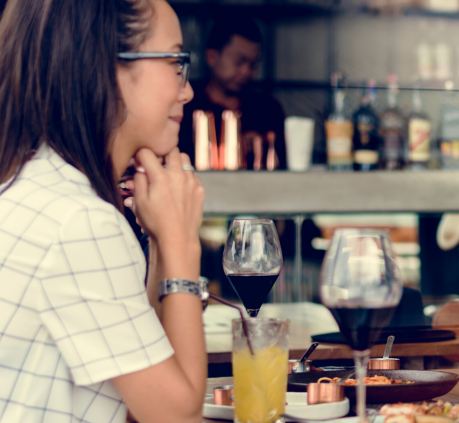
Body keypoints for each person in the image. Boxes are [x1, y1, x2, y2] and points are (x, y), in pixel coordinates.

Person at [0, 0, 207, 422]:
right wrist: (181, 241)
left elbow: (141, 383)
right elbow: (176, 417)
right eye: (175, 62)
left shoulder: (36, 185)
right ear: (107, 69)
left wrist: (160, 243)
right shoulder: (81, 224)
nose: (186, 89)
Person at [179, 15, 286, 170]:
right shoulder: (185, 104)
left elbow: (285, 167)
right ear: (212, 56)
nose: (247, 71)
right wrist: (233, 147)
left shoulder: (269, 109)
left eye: (253, 64)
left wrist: (262, 149)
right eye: (239, 62)